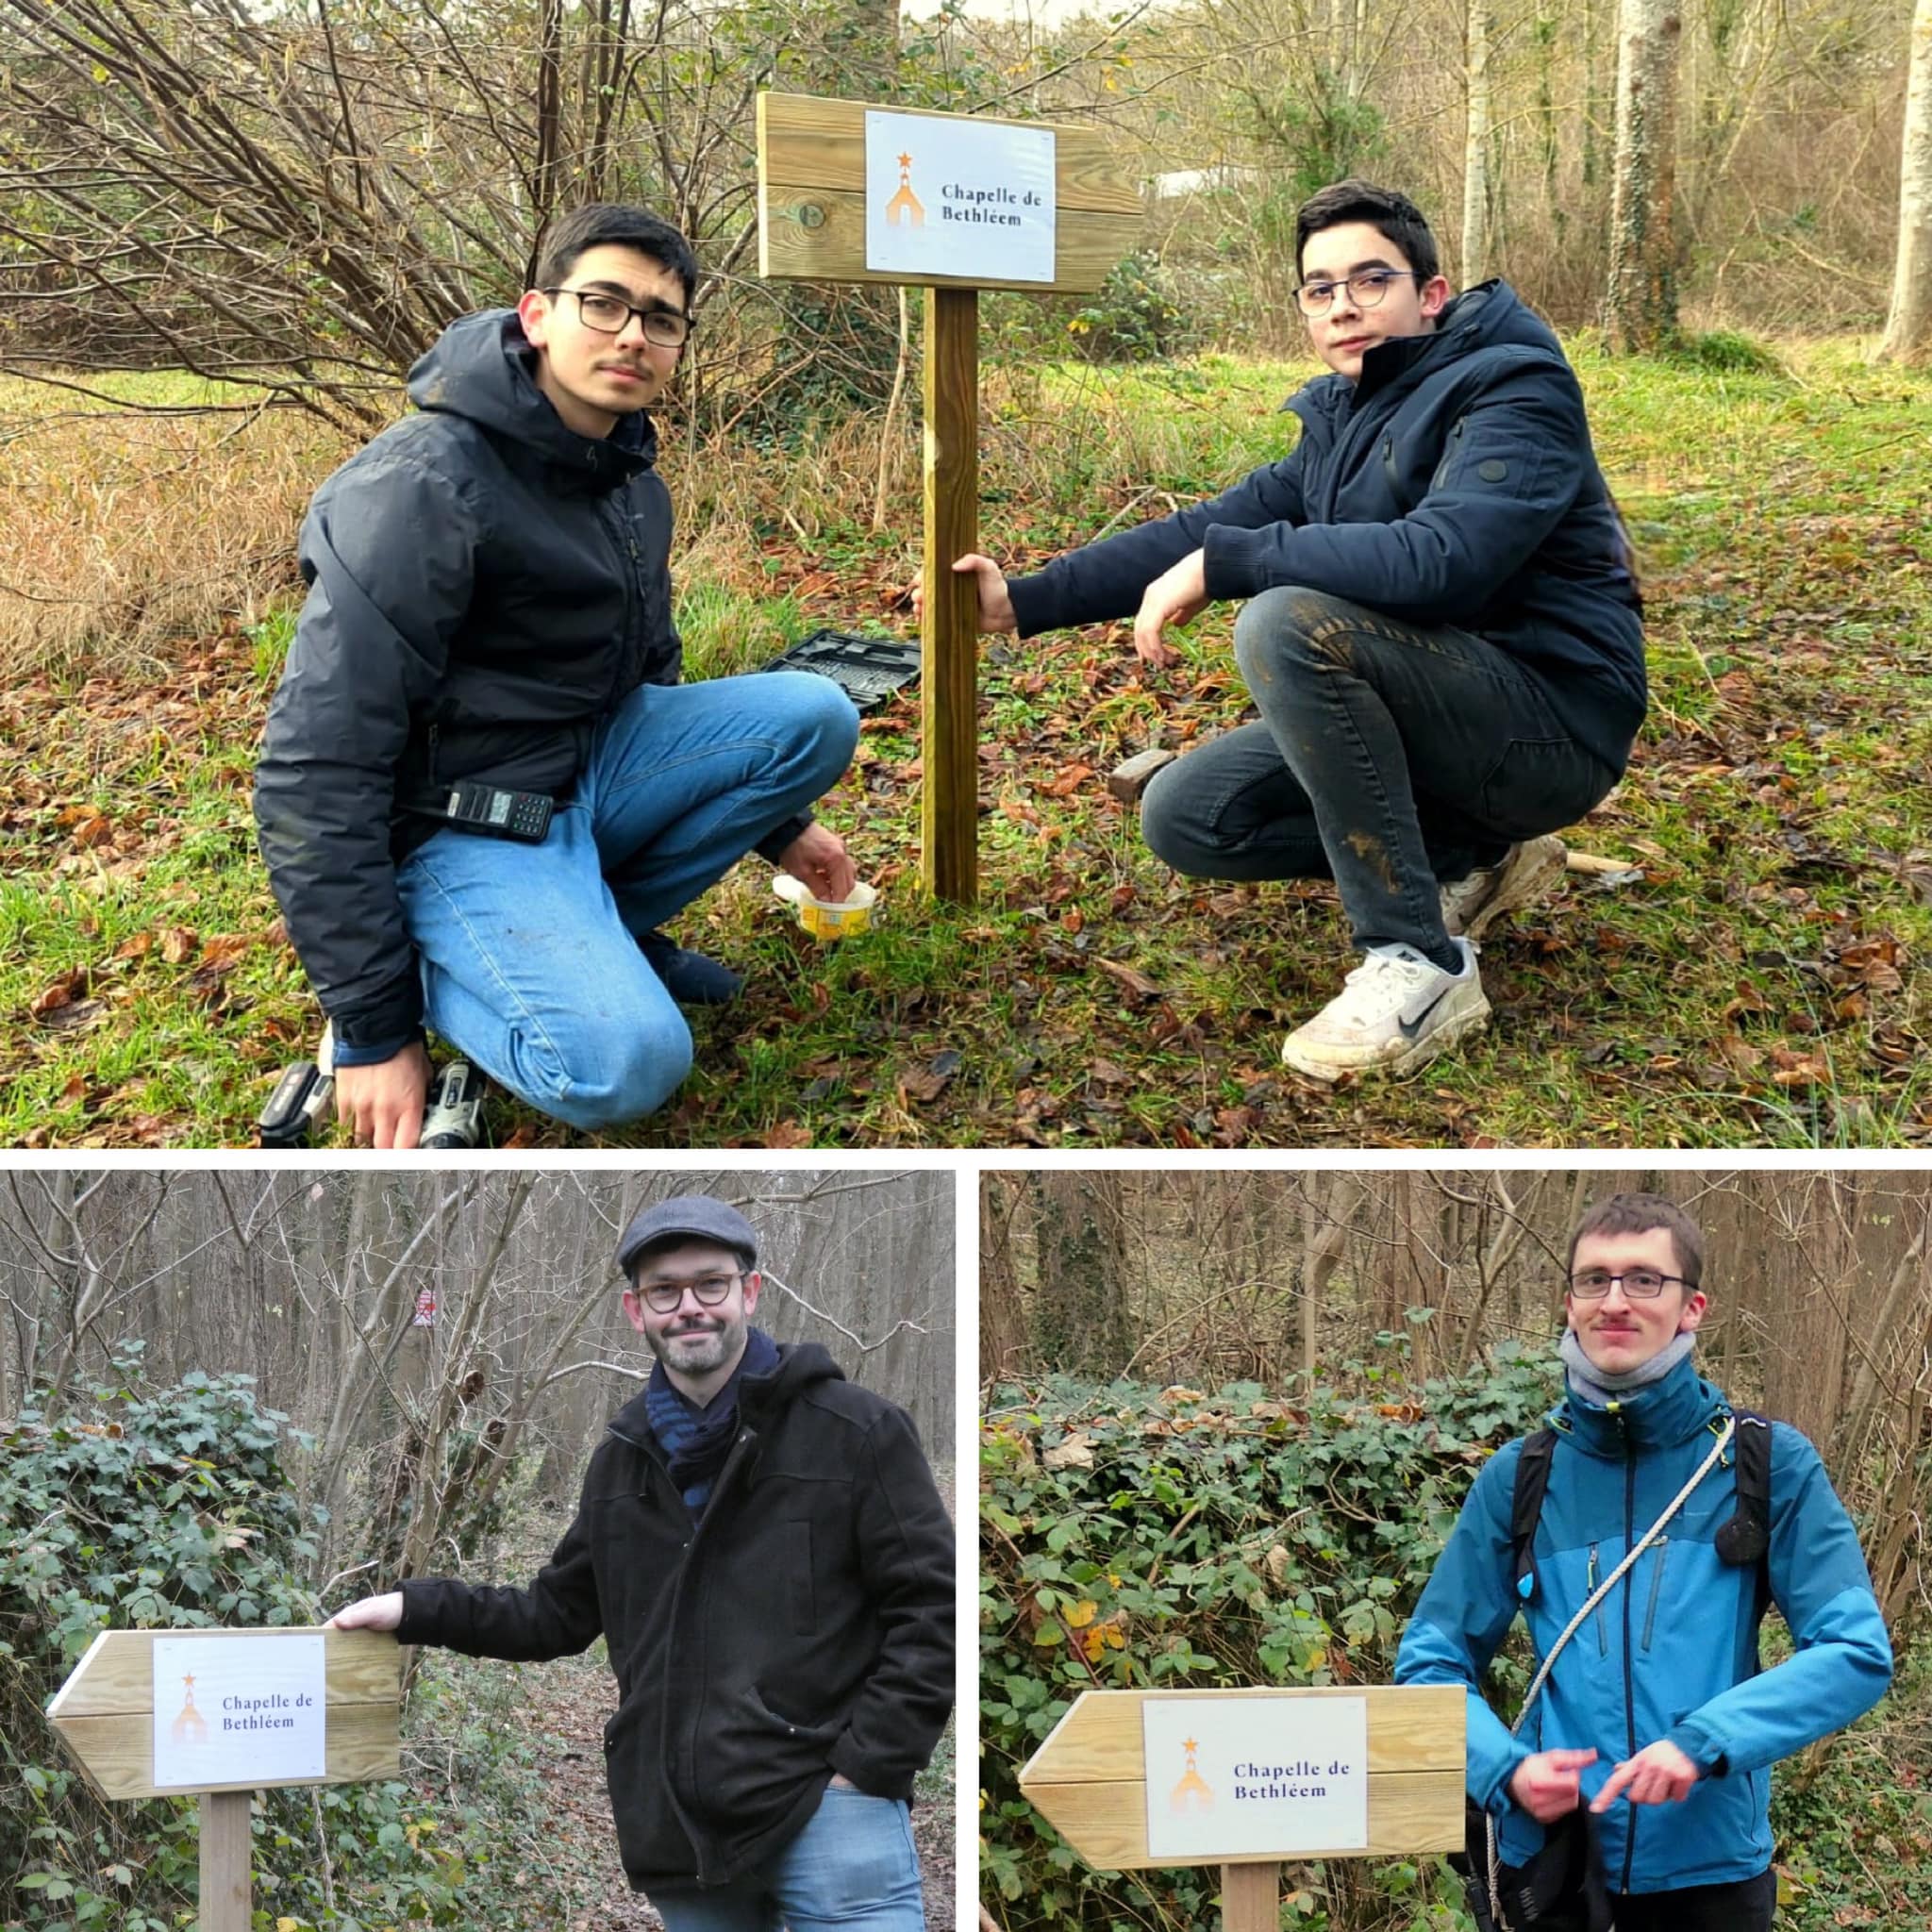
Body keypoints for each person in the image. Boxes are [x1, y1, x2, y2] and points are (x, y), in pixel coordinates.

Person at [930, 180, 1644, 1079]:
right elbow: (1202, 525)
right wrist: (1023, 602)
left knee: (1287, 620)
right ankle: (1474, 855)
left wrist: (1236, 565)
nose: (1343, 305)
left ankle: (1418, 961)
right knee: (1188, 816)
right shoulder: (1342, 418)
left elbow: (1447, 557)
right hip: (1440, 718)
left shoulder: (1514, 386)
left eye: (1370, 280)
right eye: (1320, 289)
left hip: (1549, 727)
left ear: (1431, 294)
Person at [256, 205, 861, 1146]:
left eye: (660, 318)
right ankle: (433, 971)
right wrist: (376, 1027)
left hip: (580, 772)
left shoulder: (625, 476)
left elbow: (646, 673)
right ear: (536, 314)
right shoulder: (423, 486)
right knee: (621, 1065)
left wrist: (778, 824)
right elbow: (315, 764)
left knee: (813, 715)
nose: (632, 336)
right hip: (459, 821)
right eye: (605, 304)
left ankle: (599, 934)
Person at [327, 1192, 955, 1931]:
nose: (690, 1307)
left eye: (709, 1284)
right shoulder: (624, 1461)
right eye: (665, 1291)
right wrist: (414, 1608)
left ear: (749, 1293)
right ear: (637, 1312)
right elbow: (555, 1615)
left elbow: (932, 1610)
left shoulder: (855, 1432)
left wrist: (869, 1767)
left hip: (829, 1814)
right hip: (679, 1829)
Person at [1393, 1191, 1893, 1931]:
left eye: (1644, 1280)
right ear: (1569, 1304)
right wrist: (1504, 1772)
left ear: (1692, 1307)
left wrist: (1704, 1742)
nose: (1615, 1302)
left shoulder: (1763, 1462)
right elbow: (1430, 1662)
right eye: (1594, 1280)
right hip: (1556, 1870)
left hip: (1712, 1876)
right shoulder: (1521, 1476)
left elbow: (1855, 1652)